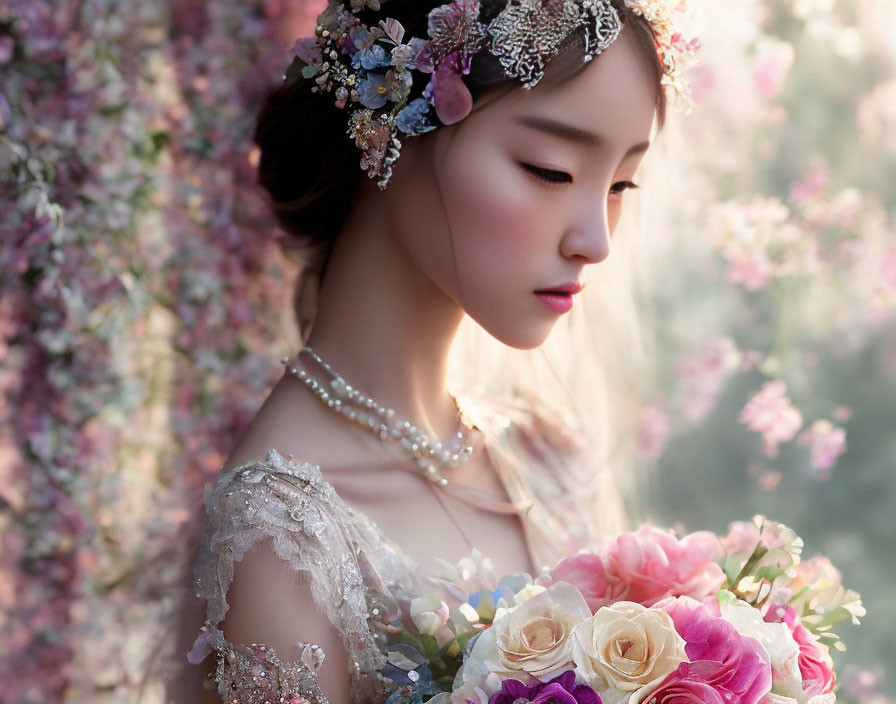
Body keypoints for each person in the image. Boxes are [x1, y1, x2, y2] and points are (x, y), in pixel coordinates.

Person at [168, 0, 693, 701]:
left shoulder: (546, 457)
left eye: (621, 184)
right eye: (550, 170)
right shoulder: (283, 542)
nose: (596, 241)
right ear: (389, 130)